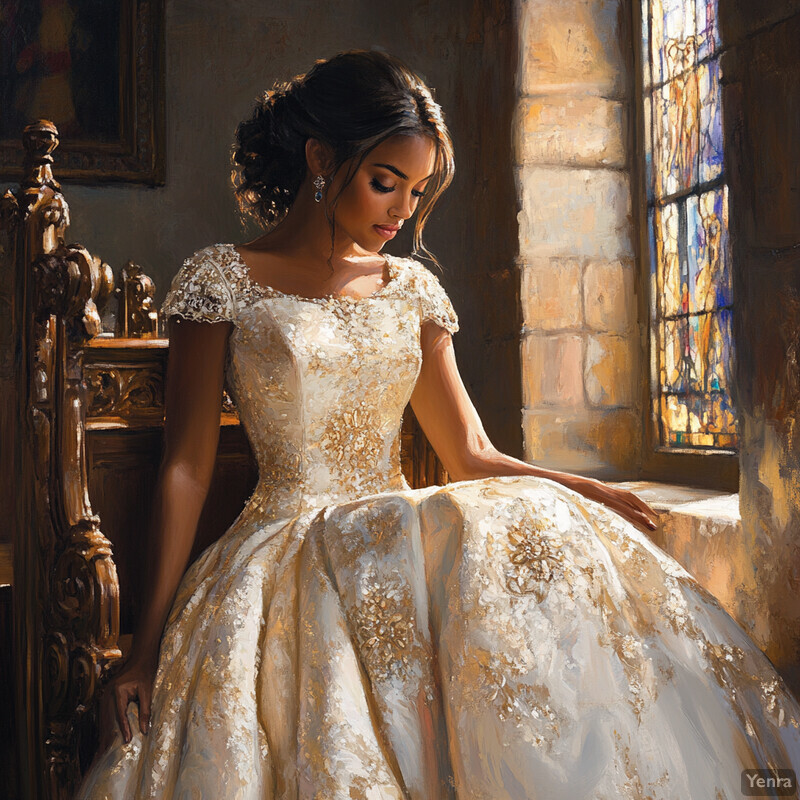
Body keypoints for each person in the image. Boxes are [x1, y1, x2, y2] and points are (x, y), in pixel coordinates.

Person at [77, 50, 800, 799]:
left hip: (391, 533)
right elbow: (186, 468)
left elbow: (471, 453)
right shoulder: (222, 278)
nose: (401, 211)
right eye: (384, 182)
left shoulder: (412, 290)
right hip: (284, 542)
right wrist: (144, 648)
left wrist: (577, 485)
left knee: (527, 529)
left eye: (417, 191)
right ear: (321, 158)